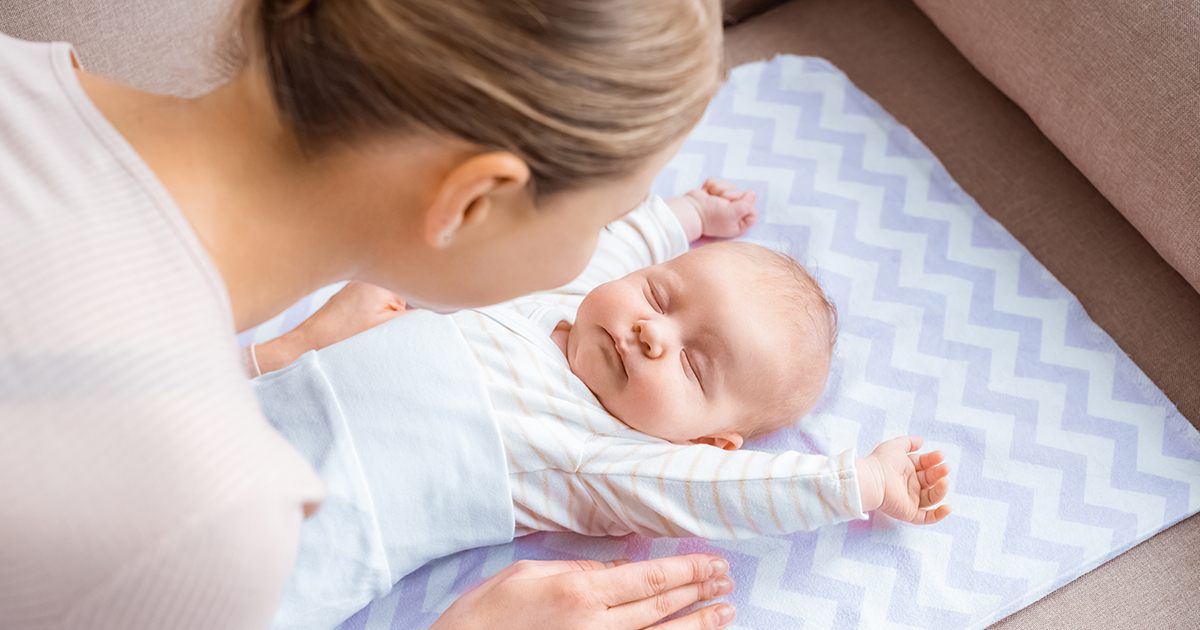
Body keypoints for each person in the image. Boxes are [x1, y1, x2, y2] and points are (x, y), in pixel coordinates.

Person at [0, 0, 744, 627]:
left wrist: (268, 357)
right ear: (473, 200)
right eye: (605, 222)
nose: (590, 264)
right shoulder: (214, 519)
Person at [252, 180, 953, 627]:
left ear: (705, 442)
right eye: (659, 296)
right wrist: (683, 216)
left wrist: (858, 482)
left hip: (301, 543)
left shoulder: (607, 457)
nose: (652, 333)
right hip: (248, 418)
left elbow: (736, 493)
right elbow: (611, 252)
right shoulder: (550, 298)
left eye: (694, 364)